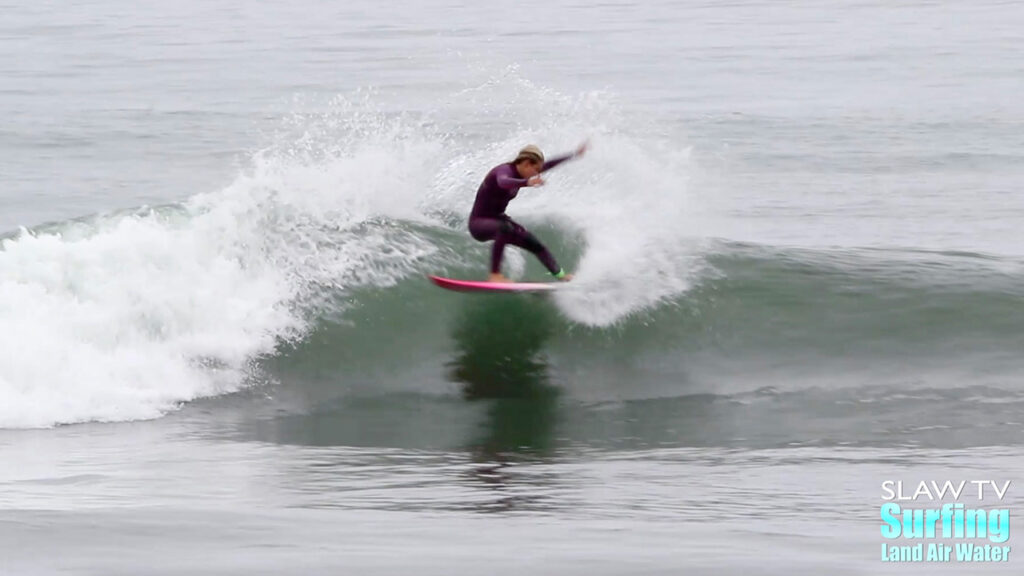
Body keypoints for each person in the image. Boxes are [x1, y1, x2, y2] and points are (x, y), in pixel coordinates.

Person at [468, 141, 588, 282]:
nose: (536, 174)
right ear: (526, 163)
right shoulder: (503, 171)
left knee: (535, 244)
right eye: (535, 170)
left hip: (499, 220)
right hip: (479, 223)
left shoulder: (523, 172)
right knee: (504, 228)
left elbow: (550, 165)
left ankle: (560, 276)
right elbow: (503, 182)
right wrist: (526, 183)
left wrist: (574, 154)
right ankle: (495, 275)